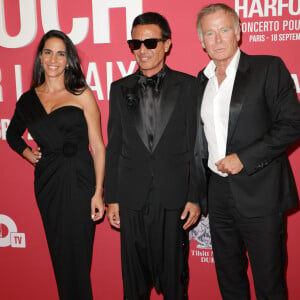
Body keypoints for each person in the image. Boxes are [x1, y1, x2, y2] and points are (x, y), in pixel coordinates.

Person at [195, 3, 300, 300]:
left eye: (224, 30)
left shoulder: (268, 68)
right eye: (210, 33)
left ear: (239, 32)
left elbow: (292, 124)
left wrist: (244, 158)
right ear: (201, 41)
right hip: (218, 196)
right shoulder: (200, 81)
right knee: (230, 281)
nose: (217, 39)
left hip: (261, 193)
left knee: (269, 284)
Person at [105, 12, 207, 300]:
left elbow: (197, 145)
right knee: (133, 285)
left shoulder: (189, 86)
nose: (142, 50)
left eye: (150, 42)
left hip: (174, 198)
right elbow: (114, 146)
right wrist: (112, 197)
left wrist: (195, 196)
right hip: (131, 198)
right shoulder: (118, 88)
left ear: (167, 44)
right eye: (135, 43)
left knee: (175, 282)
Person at [6, 30, 105, 300]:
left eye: (61, 53)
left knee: (79, 256)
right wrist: (26, 152)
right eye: (48, 52)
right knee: (60, 254)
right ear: (40, 56)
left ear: (68, 59)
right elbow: (11, 134)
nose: (54, 59)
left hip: (81, 180)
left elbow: (97, 146)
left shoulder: (81, 93)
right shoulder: (28, 100)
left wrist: (98, 192)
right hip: (48, 183)